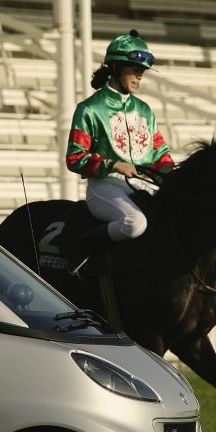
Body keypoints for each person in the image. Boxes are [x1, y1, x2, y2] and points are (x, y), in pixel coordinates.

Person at [64, 30, 175, 275]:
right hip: (105, 188)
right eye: (135, 71)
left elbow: (160, 155)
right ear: (115, 67)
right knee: (135, 224)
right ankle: (81, 246)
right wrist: (113, 164)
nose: (139, 78)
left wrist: (177, 178)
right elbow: (74, 157)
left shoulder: (145, 110)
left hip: (143, 187)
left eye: (142, 73)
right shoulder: (89, 109)